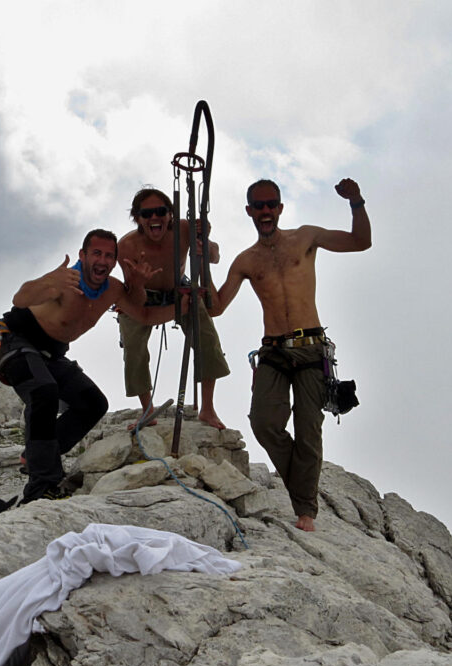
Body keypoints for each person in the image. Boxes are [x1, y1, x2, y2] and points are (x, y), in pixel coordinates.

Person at [210, 178, 371, 531]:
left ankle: (305, 512)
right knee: (264, 423)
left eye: (271, 204)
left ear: (280, 208)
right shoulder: (246, 260)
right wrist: (199, 261)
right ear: (249, 211)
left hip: (311, 346)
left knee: (309, 429)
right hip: (274, 351)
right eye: (259, 205)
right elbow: (217, 306)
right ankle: (302, 491)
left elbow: (361, 242)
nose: (266, 211)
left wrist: (356, 201)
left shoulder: (305, 238)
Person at [0, 229, 165, 504]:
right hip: (15, 343)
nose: (103, 260)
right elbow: (20, 299)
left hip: (51, 354)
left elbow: (141, 312)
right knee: (43, 392)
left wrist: (178, 303)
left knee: (93, 403)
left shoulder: (112, 288)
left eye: (110, 255)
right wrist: (48, 280)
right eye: (97, 253)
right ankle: (41, 486)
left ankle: (37, 456)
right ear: (82, 255)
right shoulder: (65, 281)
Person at [116, 187, 230, 429]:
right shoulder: (127, 247)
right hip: (143, 296)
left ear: (170, 214)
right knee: (133, 346)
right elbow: (135, 298)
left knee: (207, 339)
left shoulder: (184, 230)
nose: (154, 218)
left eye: (161, 211)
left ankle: (208, 409)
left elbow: (215, 255)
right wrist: (138, 282)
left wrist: (204, 243)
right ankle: (147, 409)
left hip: (179, 291)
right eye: (147, 214)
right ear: (137, 218)